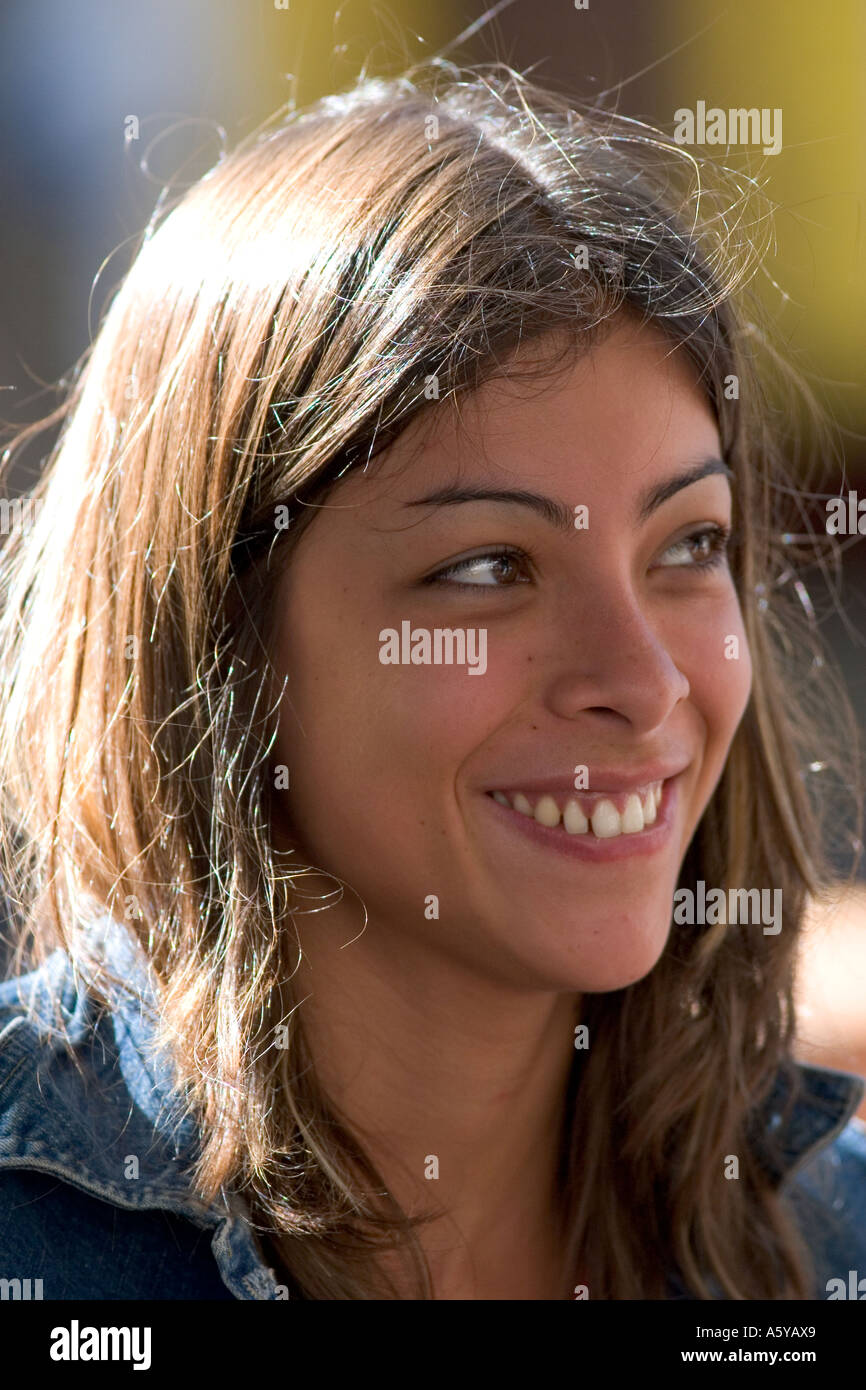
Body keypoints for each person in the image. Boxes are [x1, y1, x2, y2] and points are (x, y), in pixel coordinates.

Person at [0, 61, 863, 1301]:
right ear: (221, 641)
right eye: (486, 567)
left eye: (686, 544)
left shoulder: (827, 1247)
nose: (641, 679)